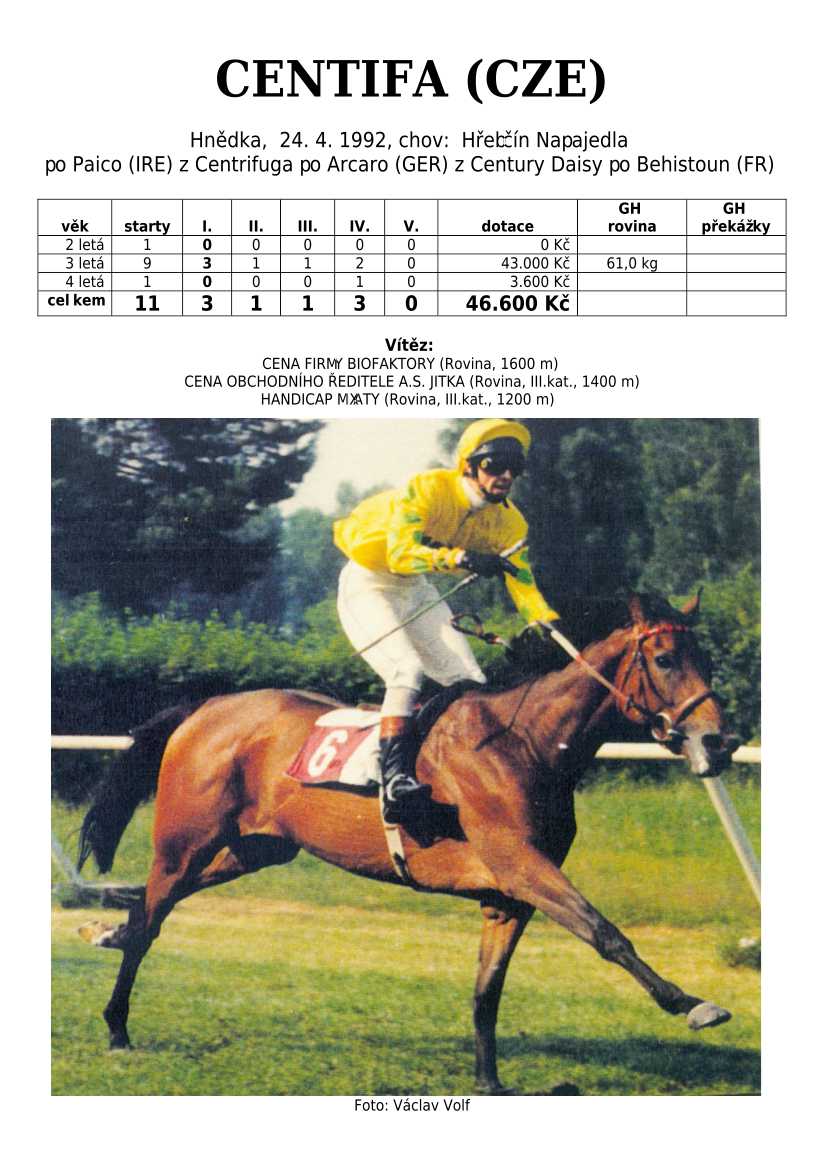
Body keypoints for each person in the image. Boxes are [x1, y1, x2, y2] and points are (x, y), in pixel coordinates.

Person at [333, 419, 560, 824]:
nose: (506, 476)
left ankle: (455, 774)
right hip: (369, 583)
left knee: (468, 680)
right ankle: (394, 779)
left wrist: (546, 623)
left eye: (515, 468)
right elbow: (401, 554)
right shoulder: (427, 488)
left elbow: (523, 582)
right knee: (406, 672)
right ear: (468, 466)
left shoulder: (511, 524)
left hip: (415, 589)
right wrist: (461, 557)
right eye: (495, 465)